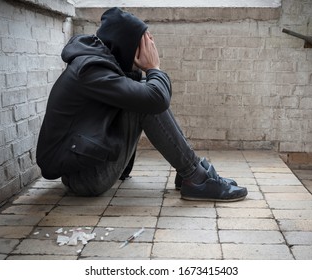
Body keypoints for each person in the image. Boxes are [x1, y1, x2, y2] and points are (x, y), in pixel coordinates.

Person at [36, 7, 247, 202]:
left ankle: (190, 173)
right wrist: (154, 67)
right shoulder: (90, 70)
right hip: (85, 179)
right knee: (146, 99)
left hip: (85, 167)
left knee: (146, 90)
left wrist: (145, 71)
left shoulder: (97, 63)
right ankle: (196, 178)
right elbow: (154, 99)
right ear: (127, 44)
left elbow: (146, 93)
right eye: (144, 41)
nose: (150, 44)